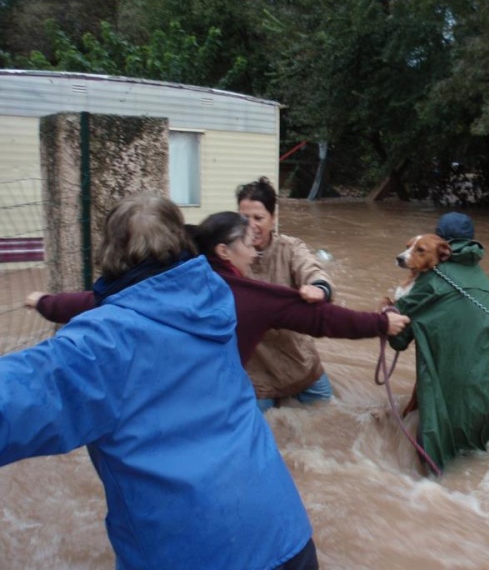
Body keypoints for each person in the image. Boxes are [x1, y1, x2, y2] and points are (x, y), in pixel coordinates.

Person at [2, 193, 318, 568]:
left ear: (109, 252)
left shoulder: (101, 344)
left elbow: (17, 398)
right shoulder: (216, 300)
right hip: (288, 537)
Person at [28, 211, 410, 371]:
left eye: (260, 223)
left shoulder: (161, 281)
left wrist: (44, 302)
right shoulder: (251, 295)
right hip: (223, 406)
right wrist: (381, 323)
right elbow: (325, 320)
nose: (256, 247)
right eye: (248, 239)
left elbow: (93, 302)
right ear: (224, 250)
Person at [387, 225, 489, 473]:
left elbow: (398, 339)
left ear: (444, 249)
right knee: (478, 466)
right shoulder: (486, 282)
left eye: (420, 250)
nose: (408, 253)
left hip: (445, 406)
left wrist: (387, 311)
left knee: (432, 474)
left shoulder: (430, 283)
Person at [237, 176, 335, 411]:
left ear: (273, 218)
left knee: (330, 415)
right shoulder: (229, 252)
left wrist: (319, 288)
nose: (251, 226)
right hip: (255, 370)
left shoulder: (291, 248)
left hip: (298, 362)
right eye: (244, 218)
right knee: (263, 431)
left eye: (259, 218)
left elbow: (312, 269)